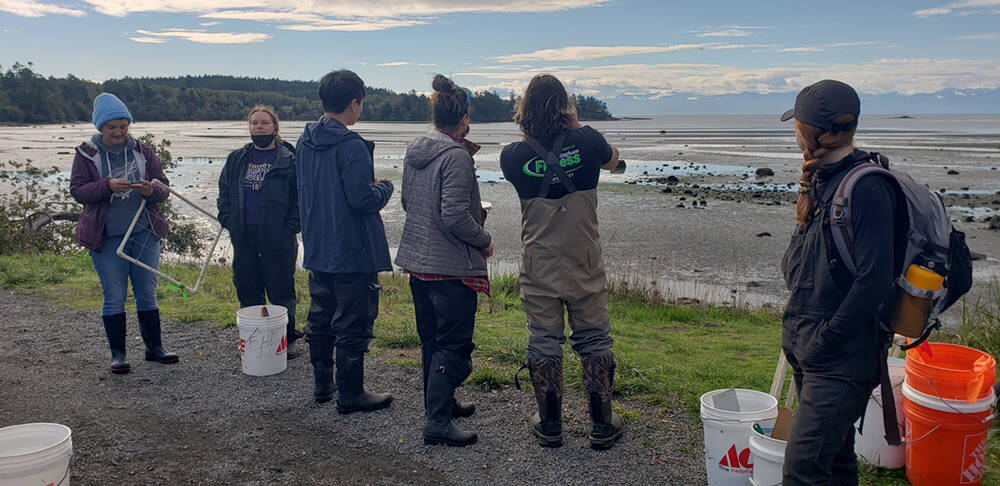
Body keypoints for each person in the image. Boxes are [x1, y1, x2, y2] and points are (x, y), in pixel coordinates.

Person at [778, 80, 897, 484]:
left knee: (802, 468)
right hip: (810, 347)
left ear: (808, 131)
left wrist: (825, 342)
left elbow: (874, 282)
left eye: (797, 125)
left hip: (841, 357)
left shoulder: (868, 188)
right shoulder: (824, 178)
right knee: (837, 458)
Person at [499, 74, 624, 450]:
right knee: (594, 336)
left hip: (539, 260)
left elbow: (532, 157)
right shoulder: (589, 140)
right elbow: (614, 161)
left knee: (543, 338)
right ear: (566, 105)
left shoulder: (511, 156)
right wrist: (576, 125)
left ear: (524, 110)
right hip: (583, 257)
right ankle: (601, 425)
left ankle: (550, 424)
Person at [395, 75, 492, 447]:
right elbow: (454, 215)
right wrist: (483, 239)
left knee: (431, 340)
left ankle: (441, 404)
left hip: (419, 262)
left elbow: (408, 202)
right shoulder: (456, 156)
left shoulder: (416, 149)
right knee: (453, 344)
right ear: (463, 118)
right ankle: (437, 422)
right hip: (450, 267)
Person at [295, 70, 394, 413]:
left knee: (321, 316)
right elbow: (361, 199)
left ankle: (323, 386)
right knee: (353, 320)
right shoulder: (352, 145)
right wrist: (385, 188)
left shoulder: (304, 141)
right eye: (360, 104)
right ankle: (351, 394)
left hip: (318, 245)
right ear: (354, 104)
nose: (360, 110)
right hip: (352, 248)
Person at [69, 92, 178, 374]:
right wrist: (106, 186)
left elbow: (164, 187)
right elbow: (78, 191)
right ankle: (118, 355)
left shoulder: (143, 151)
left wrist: (151, 189)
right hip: (106, 237)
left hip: (144, 233)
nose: (118, 132)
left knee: (147, 292)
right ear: (100, 127)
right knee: (115, 294)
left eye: (123, 126)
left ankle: (155, 348)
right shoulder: (86, 153)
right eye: (112, 127)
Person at [217, 105, 302, 359]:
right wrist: (228, 220)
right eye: (254, 123)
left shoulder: (289, 160)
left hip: (278, 237)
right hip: (244, 236)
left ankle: (285, 341)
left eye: (264, 122)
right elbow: (224, 193)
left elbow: (300, 198)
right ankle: (254, 338)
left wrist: (290, 226)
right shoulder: (237, 159)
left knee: (281, 291)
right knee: (247, 288)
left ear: (275, 127)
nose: (259, 127)